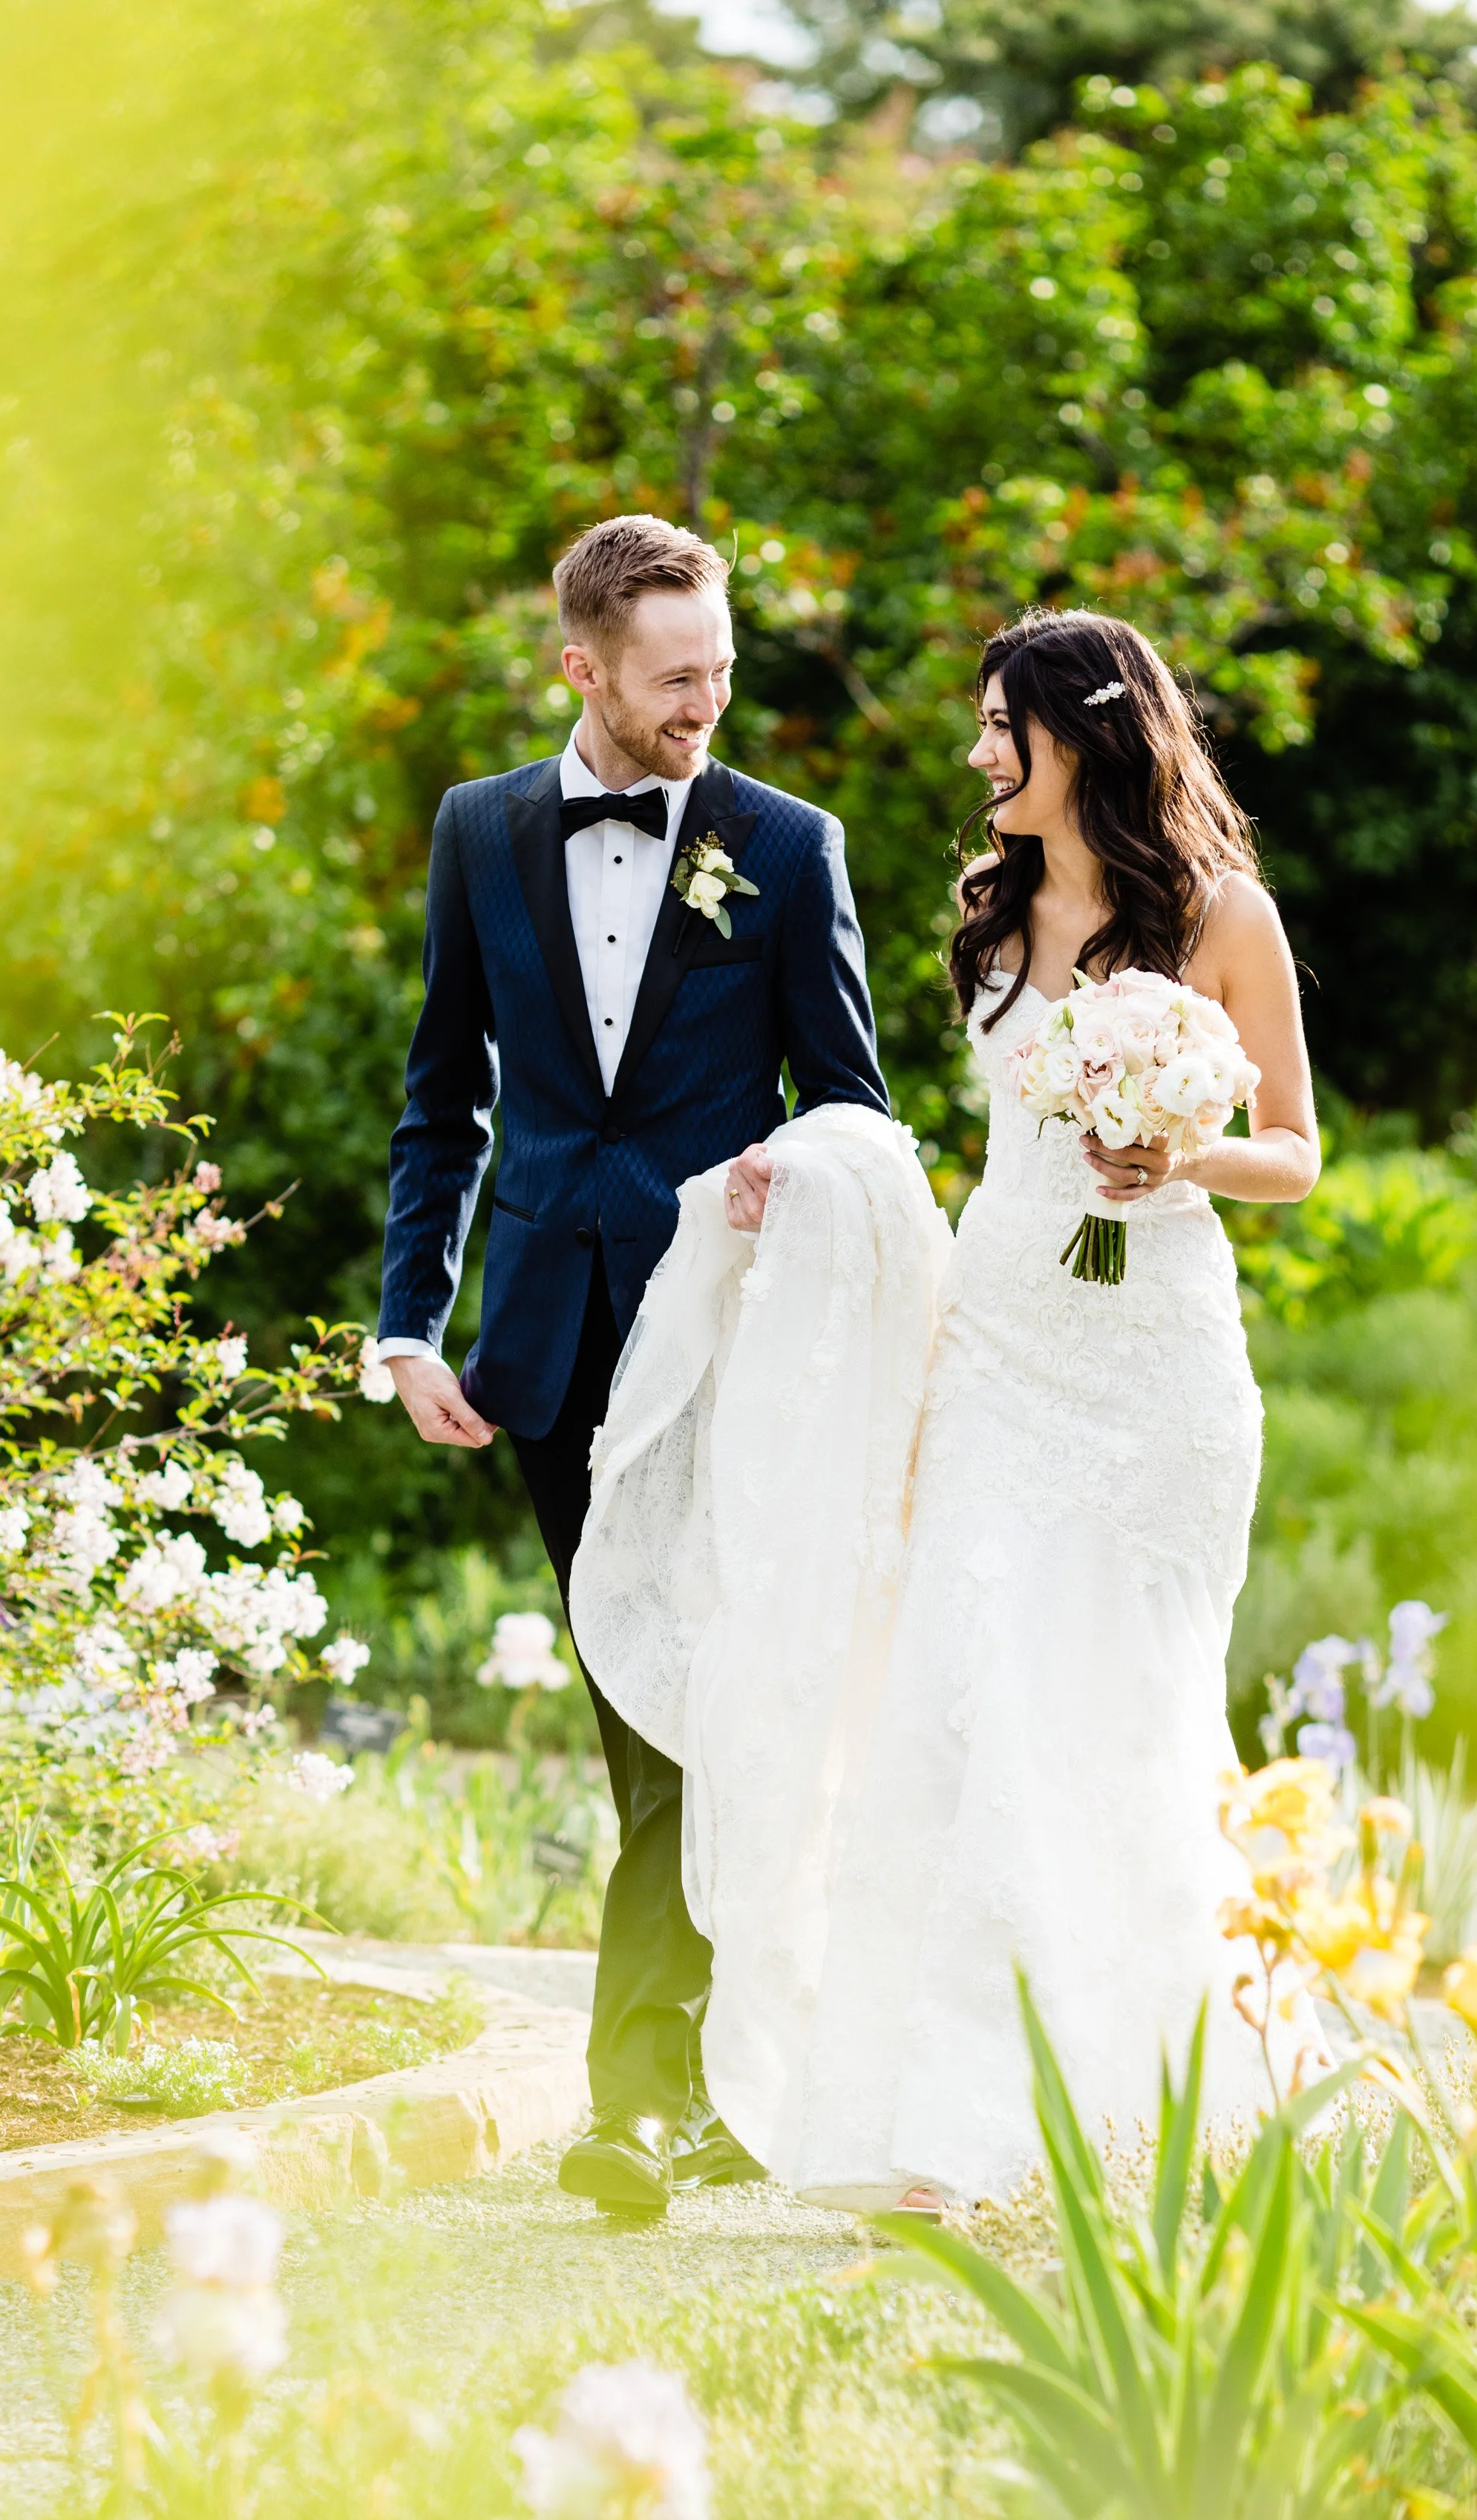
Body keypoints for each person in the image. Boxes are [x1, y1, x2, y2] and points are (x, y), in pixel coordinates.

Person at [573, 606, 1329, 2214]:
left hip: (1155, 1374)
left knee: (1121, 1711)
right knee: (963, 1687)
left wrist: (1176, 1151)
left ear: (1086, 735)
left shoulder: (1220, 913)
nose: (979, 751)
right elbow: (953, 1141)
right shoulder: (991, 917)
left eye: (1004, 724)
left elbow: (1292, 1149)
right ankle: (952, 2120)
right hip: (995, 1346)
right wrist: (815, 1189)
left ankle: (1145, 2106)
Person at [374, 513, 889, 2219]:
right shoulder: (480, 829)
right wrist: (405, 1319)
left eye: (722, 671)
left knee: (688, 1704)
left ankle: (636, 2102)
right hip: (540, 1329)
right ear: (580, 668)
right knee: (641, 1703)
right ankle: (720, 2073)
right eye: (676, 681)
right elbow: (443, 1086)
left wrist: (786, 1169)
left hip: (720, 1336)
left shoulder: (788, 845)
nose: (706, 706)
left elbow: (855, 1108)